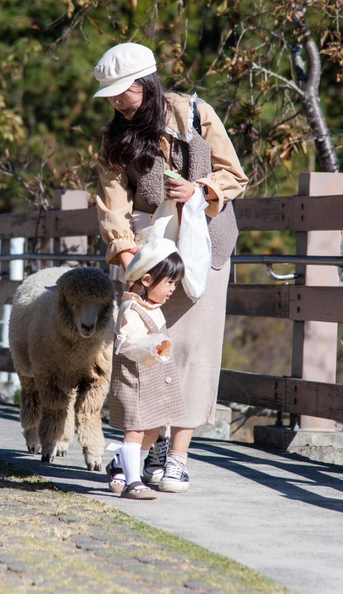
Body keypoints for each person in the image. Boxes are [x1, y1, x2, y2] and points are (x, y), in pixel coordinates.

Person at [93, 41, 248, 493]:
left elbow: (233, 175)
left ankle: (177, 458)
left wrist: (199, 190)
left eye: (126, 93)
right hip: (151, 253)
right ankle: (137, 454)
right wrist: (131, 262)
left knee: (194, 353)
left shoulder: (196, 114)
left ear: (147, 83)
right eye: (113, 97)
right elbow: (112, 205)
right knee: (144, 353)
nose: (119, 103)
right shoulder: (114, 141)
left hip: (204, 249)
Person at [106, 238, 186, 500]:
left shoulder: (152, 305)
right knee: (136, 429)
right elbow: (128, 343)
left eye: (175, 283)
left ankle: (119, 463)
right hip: (134, 380)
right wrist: (152, 347)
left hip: (151, 379)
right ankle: (132, 482)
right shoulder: (131, 308)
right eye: (169, 283)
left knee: (153, 430)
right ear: (148, 280)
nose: (173, 289)